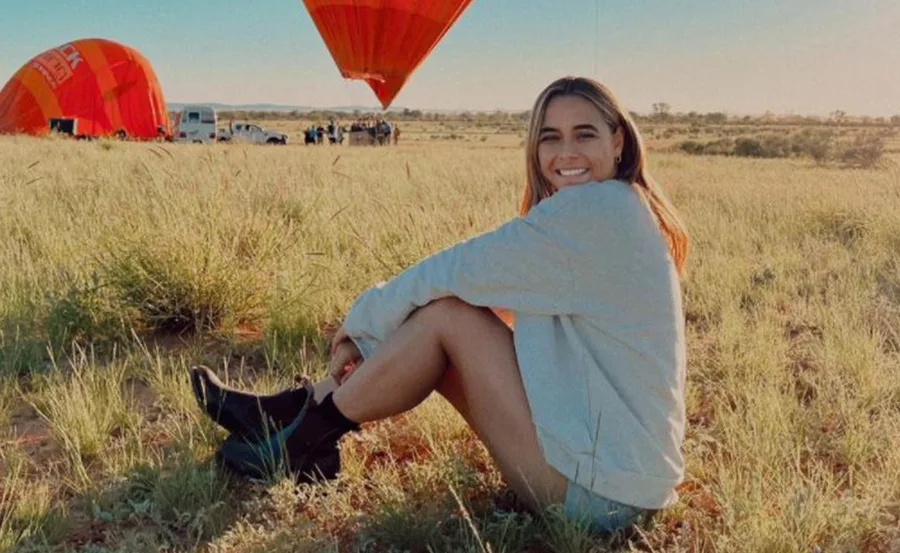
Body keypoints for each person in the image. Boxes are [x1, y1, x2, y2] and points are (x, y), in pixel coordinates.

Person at [191, 76, 689, 534]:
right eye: (550, 137)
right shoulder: (617, 207)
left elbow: (455, 270)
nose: (566, 152)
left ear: (618, 141)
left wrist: (359, 325)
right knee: (449, 313)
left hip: (601, 496)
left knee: (447, 315)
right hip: (619, 480)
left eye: (585, 134)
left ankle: (302, 442)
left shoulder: (596, 211)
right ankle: (290, 413)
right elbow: (475, 286)